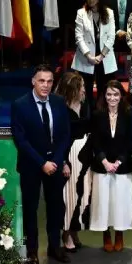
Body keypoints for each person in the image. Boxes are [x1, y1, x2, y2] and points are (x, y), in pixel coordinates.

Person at [11, 64, 71, 264]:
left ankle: (55, 247)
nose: (46, 85)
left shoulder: (59, 102)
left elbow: (65, 135)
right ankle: (32, 252)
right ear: (33, 82)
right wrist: (42, 163)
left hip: (54, 165)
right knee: (31, 210)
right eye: (41, 81)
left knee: (56, 208)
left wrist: (57, 160)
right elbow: (21, 140)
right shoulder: (20, 105)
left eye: (49, 81)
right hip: (31, 167)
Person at [89, 80, 132, 252]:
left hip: (122, 166)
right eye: (109, 94)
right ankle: (106, 234)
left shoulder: (130, 114)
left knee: (120, 202)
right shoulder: (97, 114)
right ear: (104, 96)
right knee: (103, 202)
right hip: (102, 166)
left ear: (121, 96)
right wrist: (104, 161)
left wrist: (118, 162)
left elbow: (131, 141)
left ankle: (119, 234)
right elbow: (95, 141)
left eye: (116, 94)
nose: (112, 98)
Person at [54, 72, 91, 253]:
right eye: (81, 86)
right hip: (68, 159)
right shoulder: (59, 108)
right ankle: (66, 233)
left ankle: (75, 230)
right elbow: (58, 138)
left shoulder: (85, 105)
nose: (85, 89)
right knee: (68, 198)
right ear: (72, 89)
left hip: (84, 158)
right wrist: (63, 162)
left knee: (81, 197)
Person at [72, 0, 117, 109]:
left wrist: (101, 55)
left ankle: (103, 116)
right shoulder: (81, 13)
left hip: (104, 56)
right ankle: (87, 117)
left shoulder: (109, 12)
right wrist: (89, 55)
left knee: (104, 89)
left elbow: (111, 37)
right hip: (86, 56)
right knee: (86, 91)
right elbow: (78, 37)